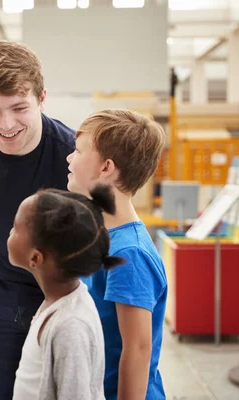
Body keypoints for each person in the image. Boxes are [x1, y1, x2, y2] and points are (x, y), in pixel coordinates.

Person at [0, 40, 75, 399]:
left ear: (42, 99)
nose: (6, 125)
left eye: (19, 108)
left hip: (59, 297)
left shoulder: (70, 154)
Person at [67, 109, 168, 400]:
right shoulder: (104, 238)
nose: (69, 158)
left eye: (79, 150)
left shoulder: (129, 254)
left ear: (106, 167)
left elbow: (137, 349)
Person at [7, 186, 125, 400]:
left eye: (15, 228)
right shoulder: (57, 304)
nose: (10, 231)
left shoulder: (71, 326)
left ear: (35, 258)